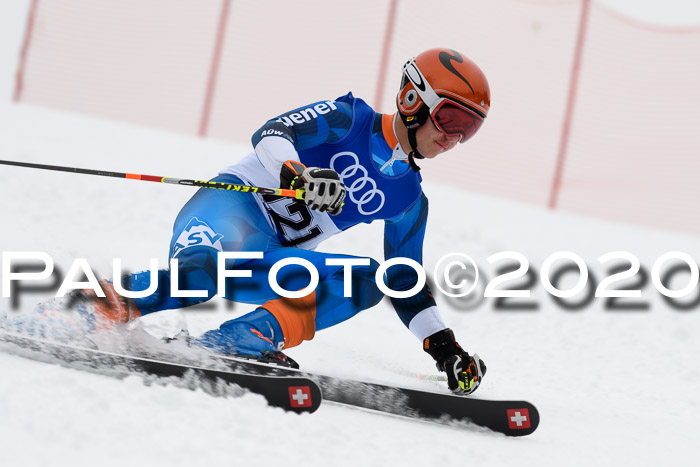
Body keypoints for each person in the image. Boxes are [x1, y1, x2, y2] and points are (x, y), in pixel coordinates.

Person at [6, 48, 491, 395]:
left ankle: (241, 341)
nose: (455, 138)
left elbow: (406, 280)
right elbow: (273, 131)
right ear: (413, 100)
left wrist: (445, 349)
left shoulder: (409, 196)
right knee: (199, 275)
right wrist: (296, 173)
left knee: (373, 278)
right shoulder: (351, 118)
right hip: (228, 213)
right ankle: (78, 312)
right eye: (451, 119)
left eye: (469, 130)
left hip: (275, 259)